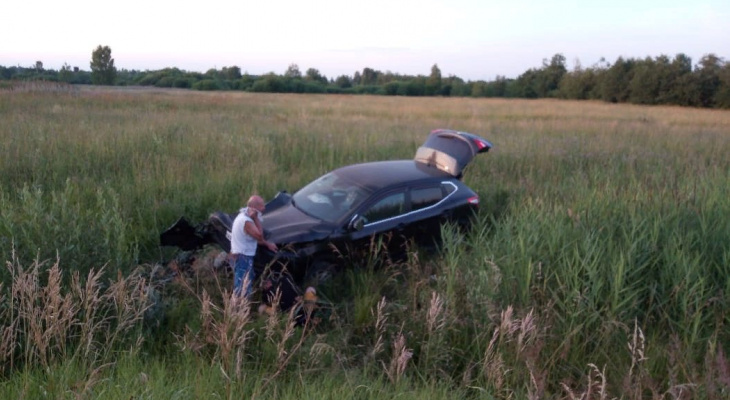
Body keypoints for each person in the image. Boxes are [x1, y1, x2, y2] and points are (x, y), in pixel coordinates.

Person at [230, 195, 278, 299]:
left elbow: (254, 239)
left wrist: (267, 244)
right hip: (243, 257)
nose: (264, 208)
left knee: (248, 279)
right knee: (243, 289)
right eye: (261, 206)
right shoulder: (247, 221)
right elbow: (260, 236)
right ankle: (239, 311)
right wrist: (256, 218)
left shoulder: (244, 216)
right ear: (255, 208)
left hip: (241, 256)